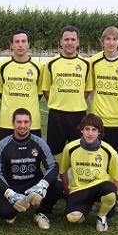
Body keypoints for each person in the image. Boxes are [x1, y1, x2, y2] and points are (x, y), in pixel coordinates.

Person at [0, 108, 64, 229]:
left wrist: (42, 185)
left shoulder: (39, 143)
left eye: (26, 122)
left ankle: (41, 212)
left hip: (34, 185)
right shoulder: (3, 145)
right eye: (19, 122)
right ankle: (19, 203)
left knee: (58, 186)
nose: (22, 126)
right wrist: (10, 194)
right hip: (13, 186)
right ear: (13, 123)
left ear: (31, 123)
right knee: (7, 214)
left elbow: (53, 166)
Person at [60, 114, 118, 232]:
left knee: (110, 194)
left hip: (100, 187)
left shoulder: (109, 151)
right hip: (79, 189)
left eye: (94, 130)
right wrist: (67, 188)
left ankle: (102, 217)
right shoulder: (70, 148)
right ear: (82, 130)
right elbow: (62, 171)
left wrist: (115, 198)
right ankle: (86, 207)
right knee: (73, 219)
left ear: (99, 132)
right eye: (87, 129)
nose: (90, 133)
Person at [42, 26, 93, 162]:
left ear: (78, 42)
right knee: (54, 151)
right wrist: (58, 103)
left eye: (72, 39)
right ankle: (56, 179)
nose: (69, 43)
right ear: (61, 41)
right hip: (56, 114)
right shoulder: (51, 63)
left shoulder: (86, 64)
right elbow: (46, 89)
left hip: (78, 115)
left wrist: (74, 102)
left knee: (77, 150)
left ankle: (74, 180)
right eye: (66, 39)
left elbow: (87, 90)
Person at [88, 26, 118, 157]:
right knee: (95, 158)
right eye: (108, 39)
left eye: (115, 39)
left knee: (114, 159)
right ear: (102, 41)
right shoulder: (93, 61)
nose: (111, 42)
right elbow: (89, 88)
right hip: (97, 119)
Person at [0, 30, 44, 142]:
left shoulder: (39, 67)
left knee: (33, 157)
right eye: (17, 42)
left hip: (32, 122)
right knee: (5, 157)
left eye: (23, 41)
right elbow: (0, 92)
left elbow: (39, 92)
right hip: (7, 122)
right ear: (11, 45)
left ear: (28, 44)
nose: (20, 44)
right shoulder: (2, 66)